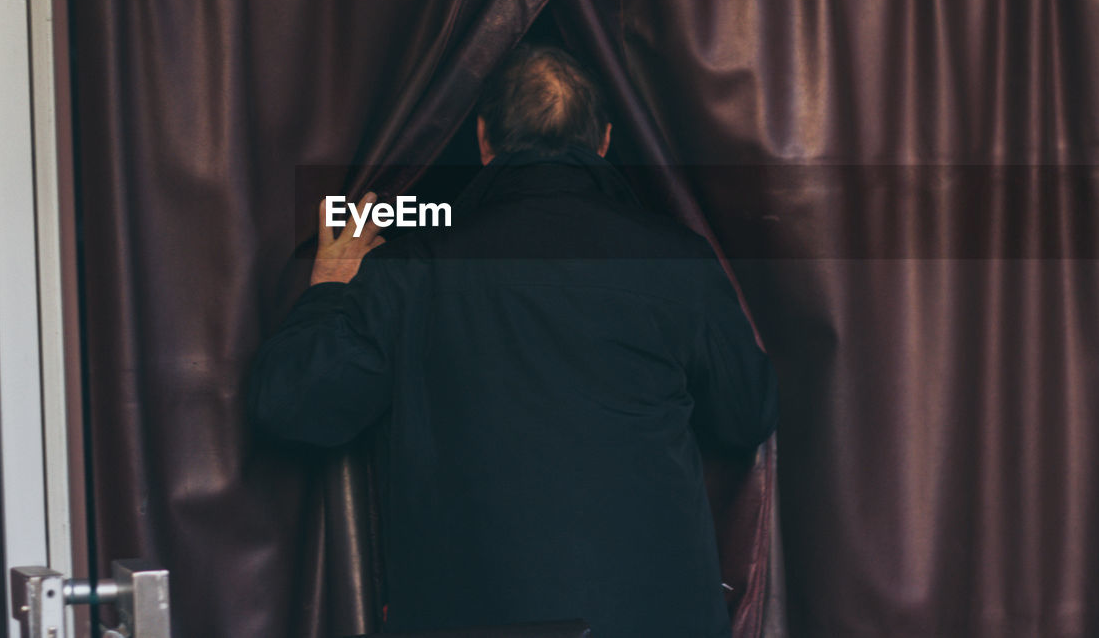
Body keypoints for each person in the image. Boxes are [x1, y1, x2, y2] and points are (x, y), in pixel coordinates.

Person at [248, 44, 779, 638]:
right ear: (603, 141)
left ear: (482, 140)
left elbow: (293, 406)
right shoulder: (676, 258)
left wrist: (328, 286)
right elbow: (747, 413)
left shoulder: (413, 265)